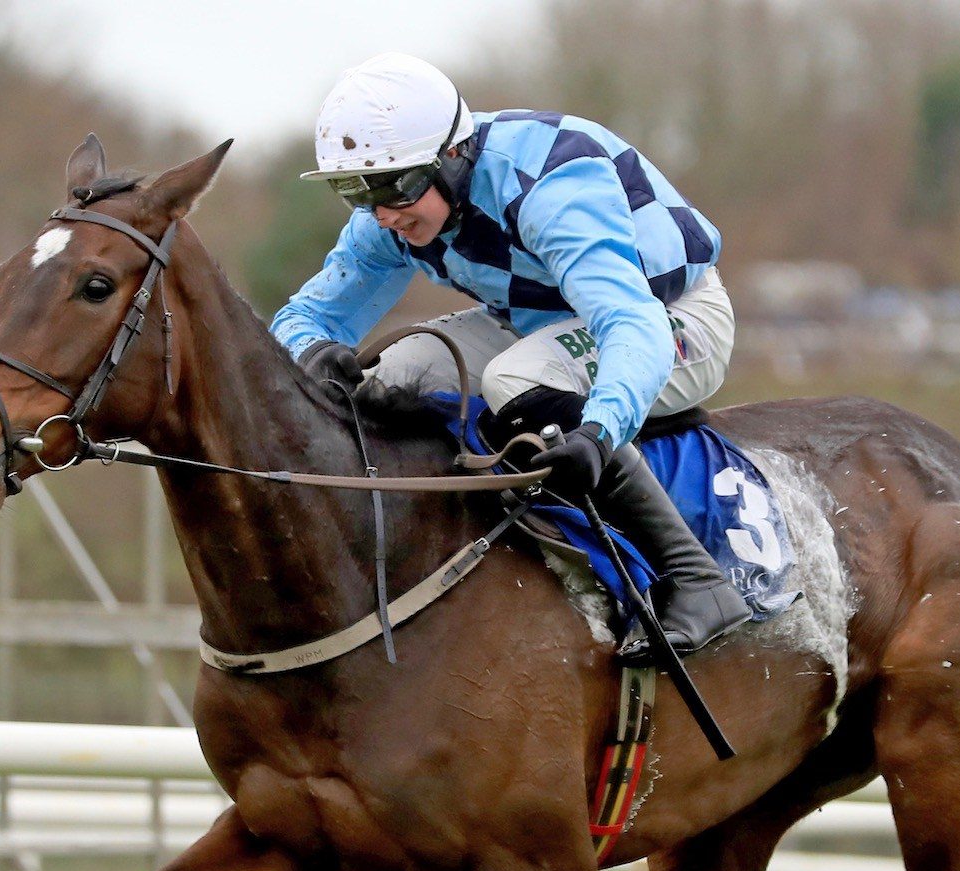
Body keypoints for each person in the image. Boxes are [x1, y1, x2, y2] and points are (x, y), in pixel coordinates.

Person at [270, 52, 749, 661]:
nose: (384, 212)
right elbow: (304, 319)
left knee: (519, 376)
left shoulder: (549, 187)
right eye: (357, 191)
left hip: (672, 318)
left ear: (452, 157)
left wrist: (599, 432)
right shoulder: (388, 217)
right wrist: (312, 353)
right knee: (393, 373)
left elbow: (630, 323)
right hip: (539, 324)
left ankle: (697, 579)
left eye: (396, 186)